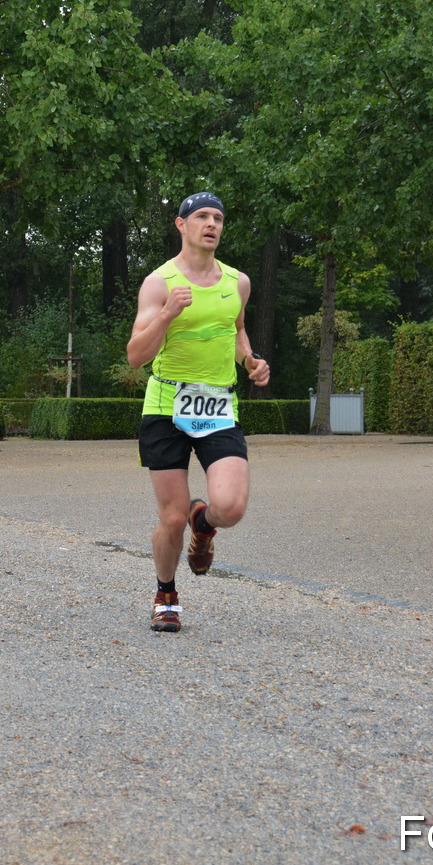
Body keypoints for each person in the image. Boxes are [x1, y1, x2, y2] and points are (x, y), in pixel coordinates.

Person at [126, 193, 269, 633]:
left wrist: (249, 360)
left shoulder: (238, 282)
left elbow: (237, 329)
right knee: (170, 517)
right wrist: (168, 314)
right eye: (202, 217)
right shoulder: (158, 283)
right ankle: (166, 593)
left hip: (218, 406)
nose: (211, 224)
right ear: (181, 225)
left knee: (230, 506)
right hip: (166, 405)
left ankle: (203, 525)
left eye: (218, 218)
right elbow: (135, 356)